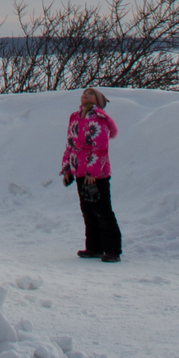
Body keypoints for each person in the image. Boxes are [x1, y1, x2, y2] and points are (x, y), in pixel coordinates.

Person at [61, 87, 122, 260]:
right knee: (87, 210)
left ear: (98, 100)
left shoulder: (98, 118)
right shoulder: (74, 117)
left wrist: (92, 171)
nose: (85, 96)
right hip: (80, 170)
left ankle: (113, 250)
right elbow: (70, 144)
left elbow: (100, 147)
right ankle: (94, 247)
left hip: (97, 173)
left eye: (90, 94)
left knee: (102, 210)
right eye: (83, 94)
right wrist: (67, 169)